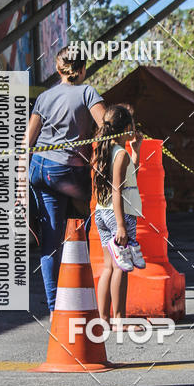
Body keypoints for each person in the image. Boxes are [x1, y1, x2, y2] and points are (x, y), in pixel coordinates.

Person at [24, 46, 106, 317]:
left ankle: (54, 308)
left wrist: (20, 185)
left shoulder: (45, 97)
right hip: (70, 174)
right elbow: (106, 125)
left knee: (50, 241)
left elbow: (27, 142)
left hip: (41, 169)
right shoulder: (87, 92)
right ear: (82, 69)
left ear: (58, 70)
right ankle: (82, 298)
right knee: (83, 230)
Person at [92, 105, 146, 326]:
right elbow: (118, 189)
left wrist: (137, 149)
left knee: (109, 267)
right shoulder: (120, 154)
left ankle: (104, 318)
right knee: (121, 267)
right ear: (126, 128)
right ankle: (119, 319)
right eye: (132, 125)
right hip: (119, 214)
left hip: (101, 212)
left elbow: (127, 174)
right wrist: (122, 225)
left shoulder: (106, 150)